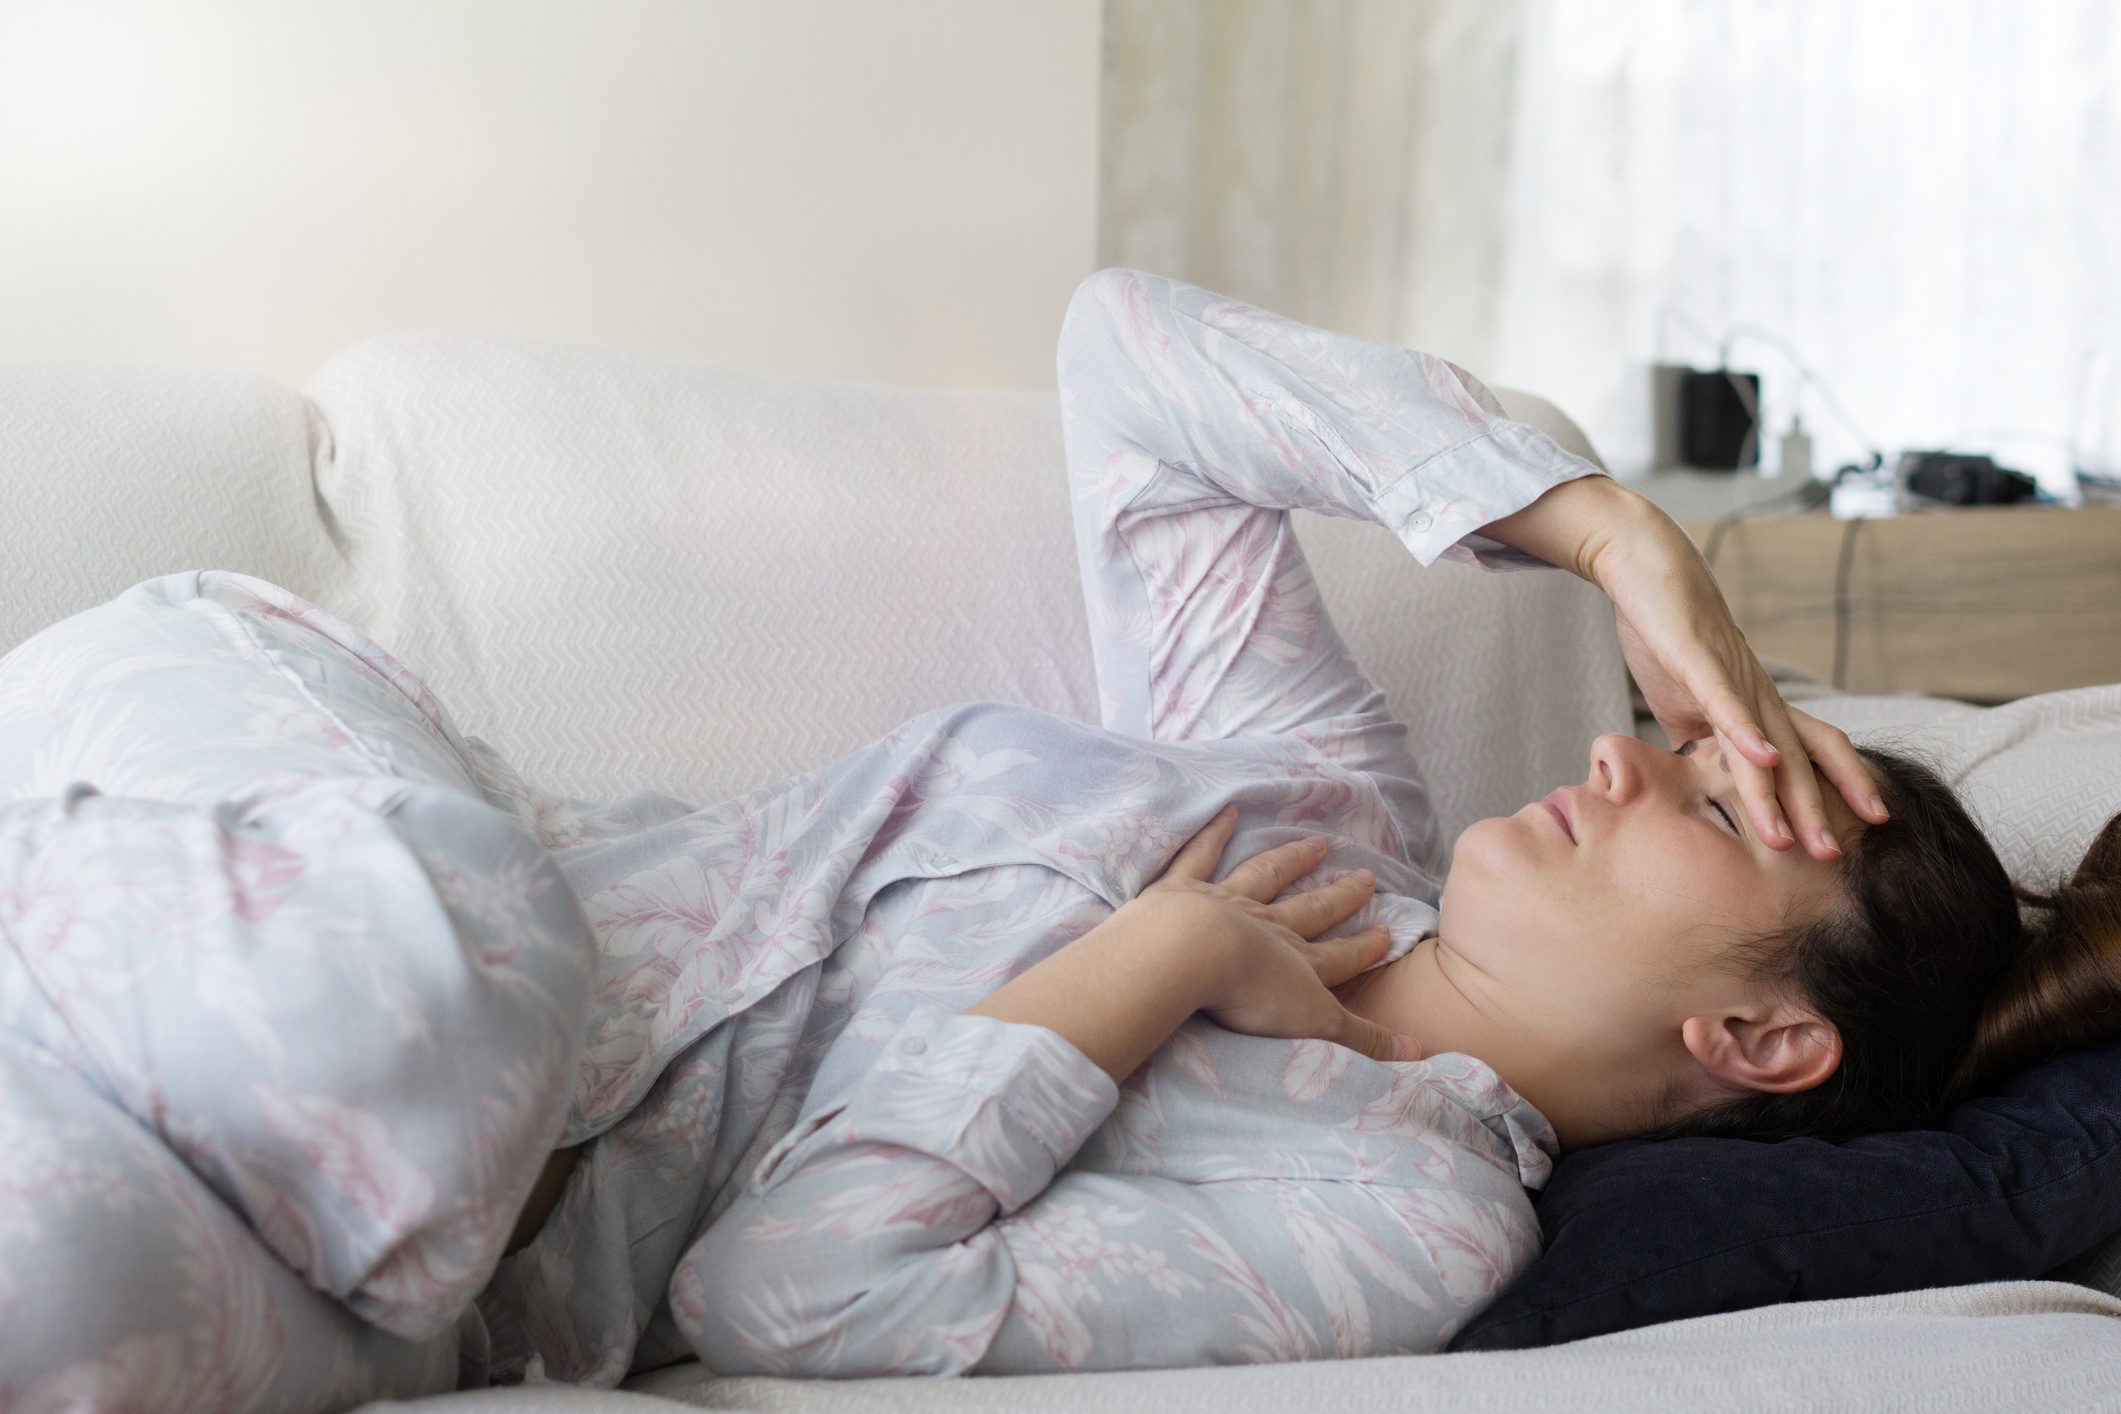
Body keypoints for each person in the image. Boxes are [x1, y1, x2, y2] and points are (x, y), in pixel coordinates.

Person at [470, 266, 1923, 1383]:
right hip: (447, 856)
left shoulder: (1407, 1212)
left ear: (1759, 1037)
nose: (1618, 755)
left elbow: (790, 1286)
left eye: (1715, 805)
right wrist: (1612, 533)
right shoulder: (1318, 786)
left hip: (426, 1149)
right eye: (1674, 740)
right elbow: (1126, 347)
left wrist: (1163, 950)